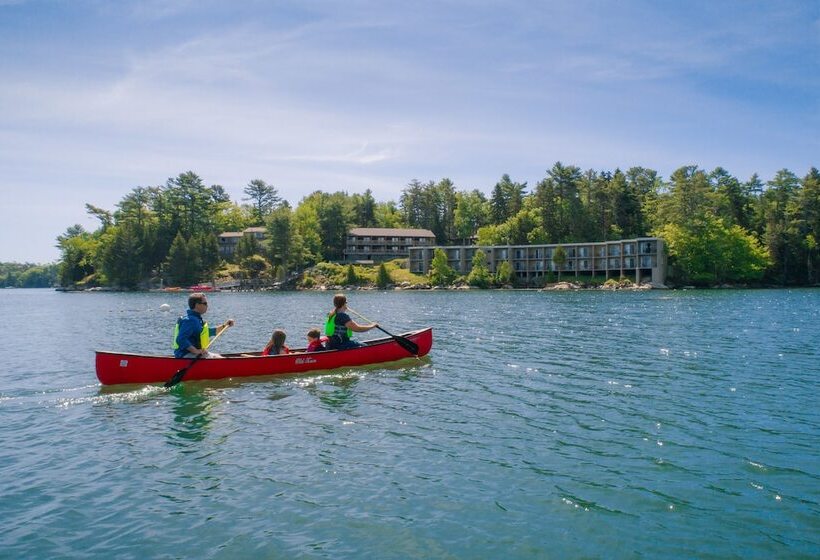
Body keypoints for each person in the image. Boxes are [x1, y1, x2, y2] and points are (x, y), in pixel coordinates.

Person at [173, 292, 235, 358]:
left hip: (192, 354)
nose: (207, 306)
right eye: (205, 303)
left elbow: (210, 332)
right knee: (220, 359)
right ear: (197, 305)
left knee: (218, 356)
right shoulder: (190, 320)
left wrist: (225, 325)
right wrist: (196, 351)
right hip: (185, 355)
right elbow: (181, 339)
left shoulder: (196, 319)